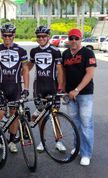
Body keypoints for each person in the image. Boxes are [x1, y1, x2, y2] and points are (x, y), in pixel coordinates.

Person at [0, 23, 29, 153]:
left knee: (14, 116)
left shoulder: (21, 51)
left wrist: (26, 88)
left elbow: (25, 70)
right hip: (1, 88)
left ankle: (11, 141)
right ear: (2, 35)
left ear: (14, 35)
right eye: (5, 35)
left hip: (16, 88)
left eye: (10, 35)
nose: (7, 38)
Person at [62, 28, 96, 166]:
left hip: (85, 94)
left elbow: (90, 74)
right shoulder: (65, 54)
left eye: (76, 38)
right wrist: (64, 89)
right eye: (71, 38)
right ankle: (77, 147)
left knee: (86, 124)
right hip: (70, 95)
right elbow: (63, 74)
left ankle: (86, 153)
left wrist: (77, 90)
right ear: (68, 40)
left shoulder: (88, 52)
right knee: (75, 123)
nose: (74, 41)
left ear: (81, 39)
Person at [28, 25, 66, 152]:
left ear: (48, 37)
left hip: (52, 86)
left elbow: (60, 70)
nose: (41, 38)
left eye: (44, 36)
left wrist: (60, 87)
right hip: (39, 87)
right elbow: (29, 66)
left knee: (54, 114)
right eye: (39, 36)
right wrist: (20, 72)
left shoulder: (55, 51)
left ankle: (59, 141)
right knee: (41, 116)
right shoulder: (34, 51)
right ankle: (42, 142)